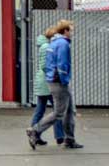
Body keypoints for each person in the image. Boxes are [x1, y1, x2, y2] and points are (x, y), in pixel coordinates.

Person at [24, 18, 82, 150]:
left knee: (69, 111)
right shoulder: (63, 44)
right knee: (59, 113)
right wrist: (64, 79)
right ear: (65, 30)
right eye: (71, 30)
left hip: (54, 80)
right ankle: (35, 130)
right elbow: (62, 63)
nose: (72, 33)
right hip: (59, 82)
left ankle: (69, 139)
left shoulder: (54, 43)